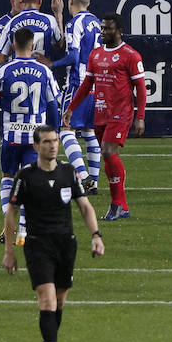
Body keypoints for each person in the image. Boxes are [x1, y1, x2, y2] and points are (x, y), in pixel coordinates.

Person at [3, 125, 105, 342]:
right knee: (47, 298)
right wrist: (9, 251)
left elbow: (85, 207)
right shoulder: (26, 176)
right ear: (36, 146)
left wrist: (96, 235)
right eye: (47, 141)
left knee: (59, 301)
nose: (52, 145)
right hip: (38, 244)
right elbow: (11, 213)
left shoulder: (68, 173)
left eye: (55, 141)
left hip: (66, 244)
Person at [0, 27, 63, 245]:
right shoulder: (44, 71)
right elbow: (52, 104)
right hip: (35, 139)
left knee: (7, 178)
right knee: (32, 183)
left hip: (11, 136)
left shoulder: (4, 71)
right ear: (33, 45)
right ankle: (23, 231)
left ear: (12, 43)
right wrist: (55, 131)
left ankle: (9, 223)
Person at [64, 12, 146, 221]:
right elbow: (86, 85)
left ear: (119, 31)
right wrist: (71, 107)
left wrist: (140, 116)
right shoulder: (96, 54)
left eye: (108, 28)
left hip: (121, 112)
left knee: (109, 152)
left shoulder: (130, 55)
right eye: (102, 28)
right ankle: (123, 206)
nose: (103, 32)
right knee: (107, 156)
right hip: (100, 111)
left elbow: (141, 88)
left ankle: (116, 204)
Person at [51, 0, 102, 194]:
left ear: (71, 2)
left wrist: (51, 64)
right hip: (98, 84)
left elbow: (73, 56)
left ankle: (82, 175)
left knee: (65, 130)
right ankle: (94, 183)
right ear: (88, 3)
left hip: (78, 84)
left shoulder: (75, 24)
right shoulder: (97, 23)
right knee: (90, 131)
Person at [0, 0, 61, 67]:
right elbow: (59, 44)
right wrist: (58, 14)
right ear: (40, 0)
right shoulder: (50, 20)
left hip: (18, 74)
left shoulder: (12, 22)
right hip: (41, 73)